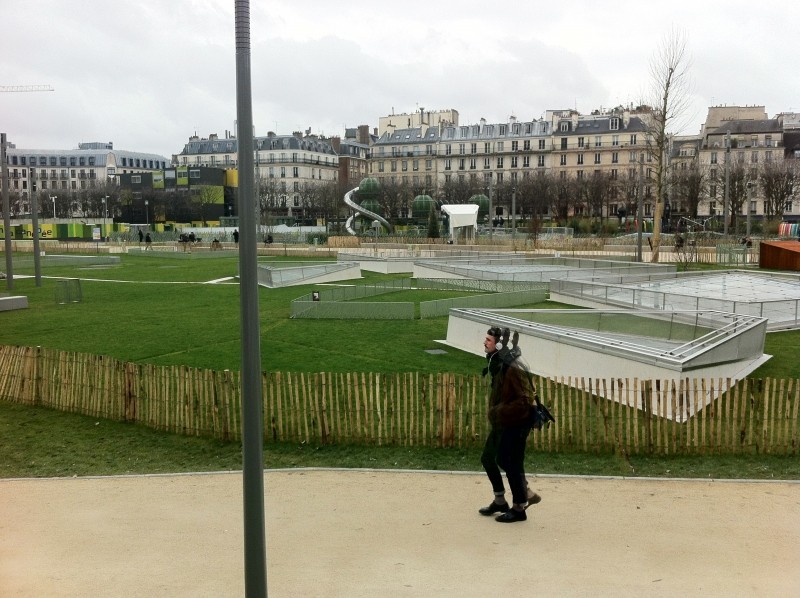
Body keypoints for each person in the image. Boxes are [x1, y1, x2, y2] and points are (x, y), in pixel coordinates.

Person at [479, 326, 540, 523]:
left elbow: (524, 400)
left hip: (515, 423)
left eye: (488, 340)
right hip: (503, 422)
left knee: (509, 462)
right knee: (490, 458)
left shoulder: (512, 367)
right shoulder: (501, 363)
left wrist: (498, 411)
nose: (484, 343)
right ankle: (501, 500)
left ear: (498, 344)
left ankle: (519, 507)